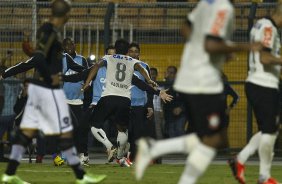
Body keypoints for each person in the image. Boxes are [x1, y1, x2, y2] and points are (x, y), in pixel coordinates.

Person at [135, 1, 262, 184]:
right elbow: (211, 46)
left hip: (192, 78)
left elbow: (185, 28)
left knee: (216, 139)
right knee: (214, 139)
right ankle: (154, 148)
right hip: (203, 81)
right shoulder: (223, 8)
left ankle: (159, 153)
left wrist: (211, 49)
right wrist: (244, 47)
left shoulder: (207, 3)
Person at [1, 1, 106, 183]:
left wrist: (90, 70)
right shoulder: (48, 32)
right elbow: (36, 60)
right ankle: (80, 176)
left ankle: (10, 174)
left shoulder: (56, 38)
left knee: (33, 131)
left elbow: (75, 67)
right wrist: (5, 73)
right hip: (45, 89)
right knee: (69, 126)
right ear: (65, 15)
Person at [81, 39, 172, 167]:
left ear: (116, 49)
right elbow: (141, 70)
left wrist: (86, 83)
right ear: (128, 51)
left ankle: (109, 146)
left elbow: (96, 66)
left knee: (94, 125)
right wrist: (150, 81)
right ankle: (120, 158)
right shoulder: (132, 61)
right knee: (122, 130)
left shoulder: (109, 58)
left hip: (109, 97)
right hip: (124, 100)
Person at [228, 5, 282, 184]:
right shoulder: (269, 27)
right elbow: (265, 58)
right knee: (270, 131)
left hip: (260, 83)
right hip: (263, 84)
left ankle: (240, 160)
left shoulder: (260, 25)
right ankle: (264, 177)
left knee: (270, 128)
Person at [62, 37, 89, 166]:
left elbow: (88, 76)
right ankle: (64, 156)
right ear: (63, 47)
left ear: (75, 45)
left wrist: (86, 85)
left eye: (72, 43)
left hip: (78, 100)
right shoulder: (61, 60)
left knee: (79, 129)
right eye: (66, 44)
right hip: (63, 100)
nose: (69, 46)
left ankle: (80, 155)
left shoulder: (82, 60)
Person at [127, 42, 155, 161]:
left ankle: (134, 157)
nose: (133, 54)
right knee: (126, 133)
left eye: (136, 51)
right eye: (131, 51)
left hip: (140, 105)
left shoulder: (144, 66)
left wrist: (149, 106)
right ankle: (124, 156)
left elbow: (150, 88)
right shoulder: (123, 65)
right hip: (126, 104)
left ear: (139, 53)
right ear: (127, 53)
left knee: (138, 133)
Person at [163, 66, 186, 138]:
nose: (169, 74)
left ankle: (183, 148)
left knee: (179, 130)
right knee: (171, 132)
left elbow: (187, 99)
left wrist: (181, 108)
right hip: (169, 114)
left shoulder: (182, 85)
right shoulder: (163, 85)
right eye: (168, 72)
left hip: (181, 113)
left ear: (176, 74)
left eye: (171, 73)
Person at [150, 67, 165, 140]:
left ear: (156, 75)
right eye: (150, 74)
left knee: (158, 129)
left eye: (153, 74)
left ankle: (160, 146)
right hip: (147, 110)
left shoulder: (161, 87)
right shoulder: (144, 85)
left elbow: (162, 101)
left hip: (157, 110)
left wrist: (161, 111)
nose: (152, 76)